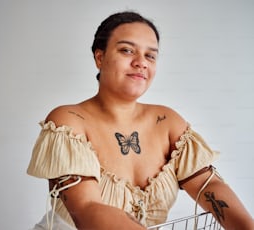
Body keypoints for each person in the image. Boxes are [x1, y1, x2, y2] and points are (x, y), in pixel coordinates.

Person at [27, 11, 254, 230]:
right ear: (100, 57)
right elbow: (86, 210)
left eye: (150, 55)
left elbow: (209, 186)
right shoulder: (68, 121)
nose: (141, 62)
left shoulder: (167, 122)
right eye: (127, 50)